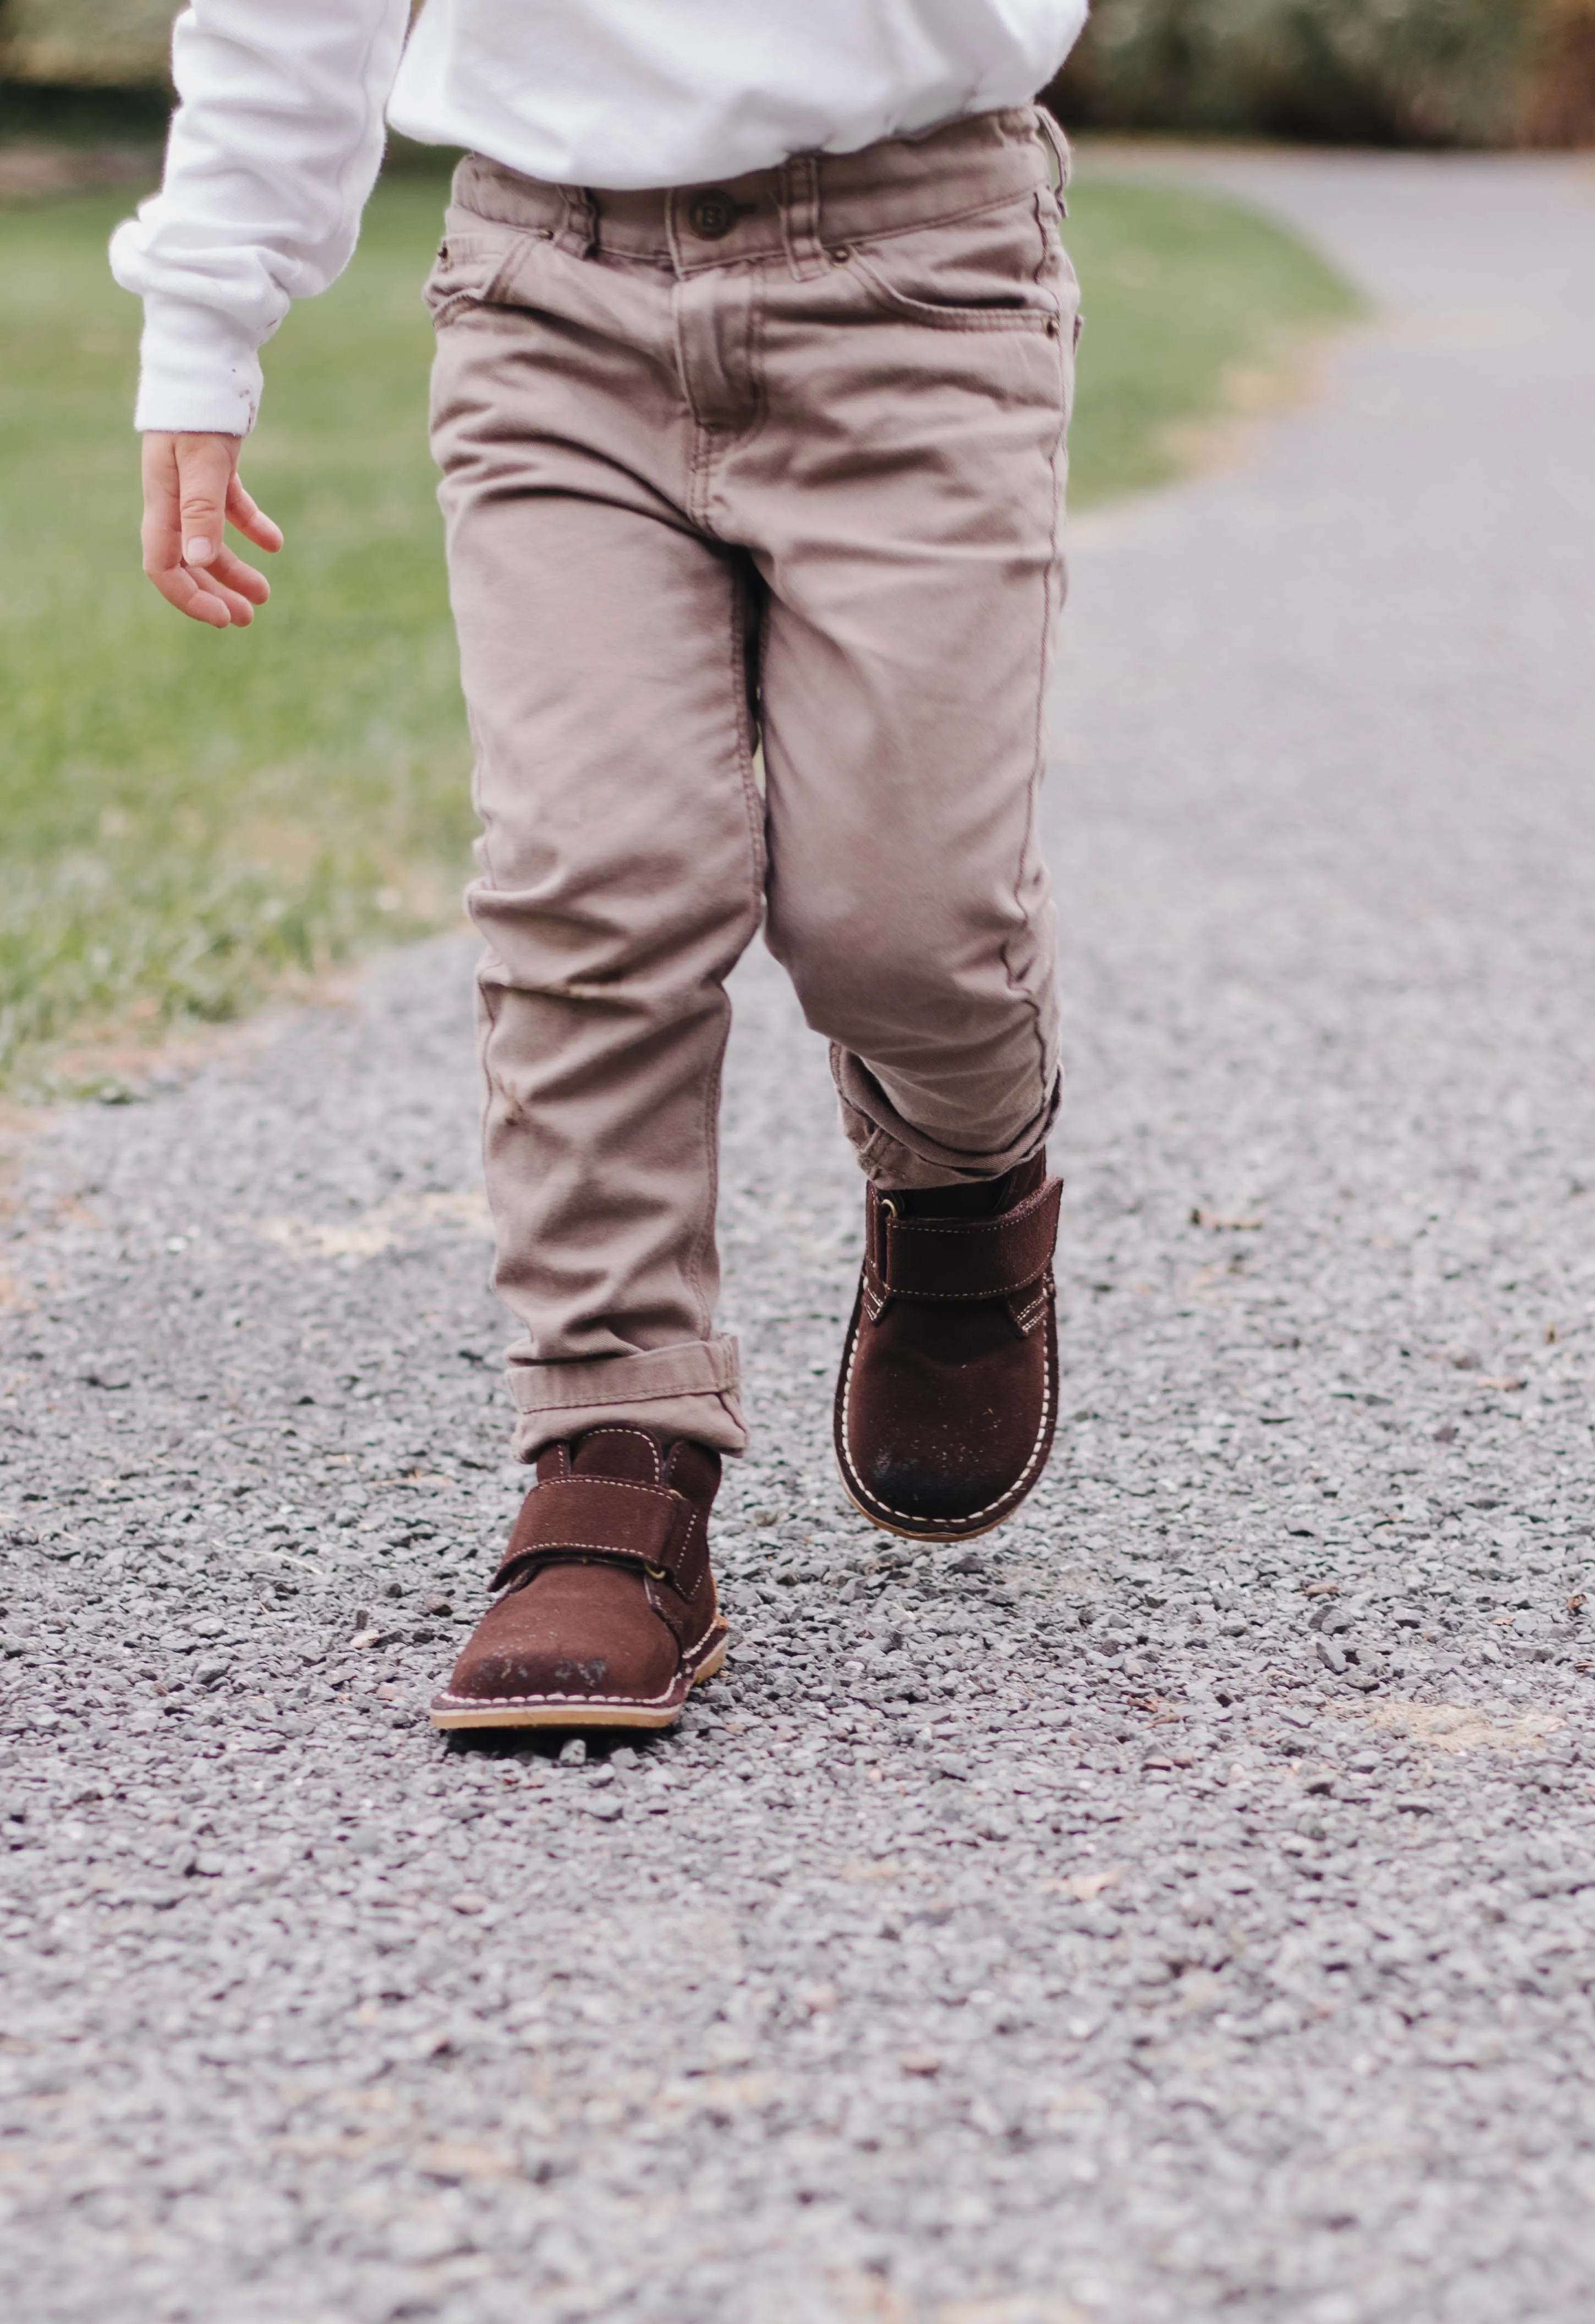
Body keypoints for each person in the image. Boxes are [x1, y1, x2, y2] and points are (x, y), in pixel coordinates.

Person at [113, 1, 1084, 1734]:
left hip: (922, 277)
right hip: (551, 292)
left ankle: (963, 1181)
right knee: (596, 877)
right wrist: (206, 317)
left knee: (904, 924)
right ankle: (614, 1453)